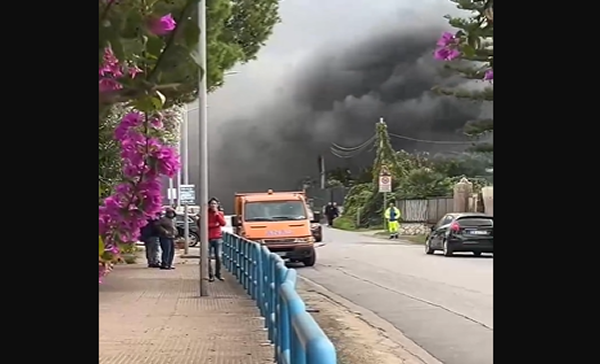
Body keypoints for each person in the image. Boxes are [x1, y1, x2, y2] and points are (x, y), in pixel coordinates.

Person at [199, 197, 226, 282]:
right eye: (211, 204)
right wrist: (214, 224)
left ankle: (218, 274)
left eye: (214, 204)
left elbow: (223, 223)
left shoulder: (220, 213)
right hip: (207, 238)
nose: (213, 205)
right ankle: (211, 275)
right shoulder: (206, 213)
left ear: (217, 205)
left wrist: (217, 214)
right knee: (208, 257)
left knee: (218, 256)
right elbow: (203, 225)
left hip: (217, 238)